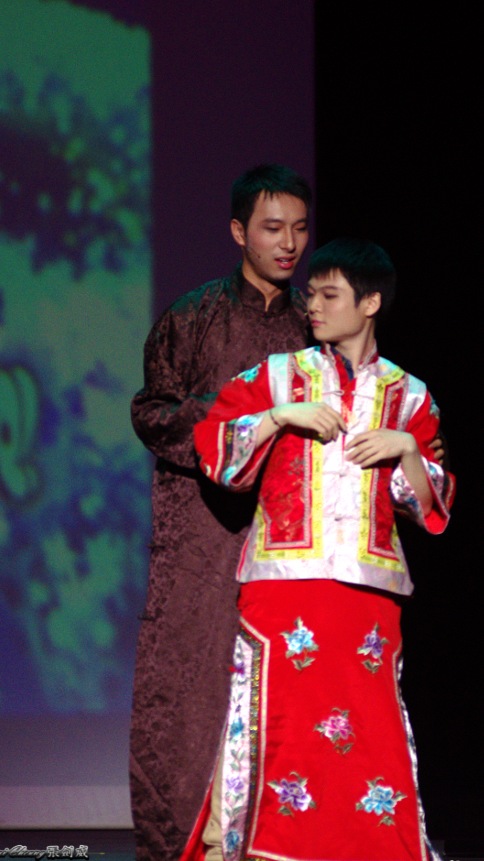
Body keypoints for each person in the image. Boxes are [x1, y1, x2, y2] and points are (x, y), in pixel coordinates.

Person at [194, 238, 455, 861]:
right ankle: (259, 847)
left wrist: (406, 449)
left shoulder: (410, 395)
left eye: (328, 294)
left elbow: (432, 504)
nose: (312, 304)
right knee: (280, 730)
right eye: (310, 292)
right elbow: (214, 449)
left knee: (369, 736)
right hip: (284, 588)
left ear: (369, 303)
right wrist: (282, 417)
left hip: (369, 592)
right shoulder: (278, 376)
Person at [129, 164, 314, 861]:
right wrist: (224, 429)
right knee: (187, 689)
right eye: (273, 227)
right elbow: (151, 410)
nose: (288, 242)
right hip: (201, 534)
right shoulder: (194, 316)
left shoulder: (312, 322)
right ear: (240, 231)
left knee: (286, 686)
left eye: (299, 228)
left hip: (287, 533)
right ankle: (178, 842)